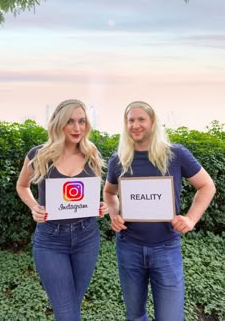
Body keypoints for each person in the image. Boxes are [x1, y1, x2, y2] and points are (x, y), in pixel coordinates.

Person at [103, 100, 216, 321]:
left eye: (141, 119)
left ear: (153, 122)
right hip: (129, 248)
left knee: (171, 317)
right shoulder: (119, 160)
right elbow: (109, 193)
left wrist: (191, 219)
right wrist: (114, 214)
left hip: (166, 248)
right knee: (135, 315)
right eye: (130, 120)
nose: (135, 125)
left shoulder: (175, 154)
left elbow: (207, 186)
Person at [16, 99, 108, 321]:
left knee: (71, 306)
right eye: (70, 121)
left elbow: (94, 193)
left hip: (87, 238)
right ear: (59, 124)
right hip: (50, 240)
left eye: (82, 121)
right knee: (66, 312)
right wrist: (34, 206)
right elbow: (22, 185)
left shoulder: (91, 153)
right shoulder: (39, 155)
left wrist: (101, 205)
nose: (77, 128)